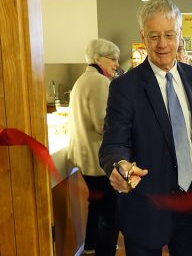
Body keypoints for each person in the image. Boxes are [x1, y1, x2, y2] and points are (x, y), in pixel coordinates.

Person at [99, 0, 192, 256]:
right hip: (145, 208)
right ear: (143, 35)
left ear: (180, 34)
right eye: (154, 36)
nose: (163, 44)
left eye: (169, 34)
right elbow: (114, 144)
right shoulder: (124, 87)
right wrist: (120, 166)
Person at [67, 38, 120, 255]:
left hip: (84, 157)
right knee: (110, 212)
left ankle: (90, 246)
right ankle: (105, 251)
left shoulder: (82, 80)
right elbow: (102, 124)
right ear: (98, 58)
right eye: (113, 59)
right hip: (97, 159)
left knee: (97, 205)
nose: (117, 64)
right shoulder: (99, 82)